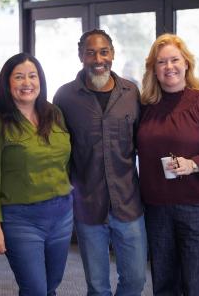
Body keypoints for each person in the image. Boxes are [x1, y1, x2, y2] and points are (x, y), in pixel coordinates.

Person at [137, 33, 199, 296]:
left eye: (174, 60)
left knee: (195, 284)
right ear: (154, 70)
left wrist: (193, 164)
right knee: (164, 283)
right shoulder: (146, 108)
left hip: (196, 207)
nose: (169, 67)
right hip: (157, 208)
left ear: (186, 64)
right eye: (161, 62)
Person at [53, 29, 147, 296]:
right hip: (88, 207)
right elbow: (59, 150)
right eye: (91, 52)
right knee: (97, 286)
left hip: (128, 205)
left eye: (103, 51)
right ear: (81, 56)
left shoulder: (131, 93)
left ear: (113, 54)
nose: (98, 58)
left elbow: (144, 142)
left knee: (136, 279)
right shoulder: (65, 97)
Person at [0, 53, 72, 296]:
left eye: (32, 76)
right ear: (7, 83)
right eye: (19, 77)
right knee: (35, 290)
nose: (27, 83)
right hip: (21, 219)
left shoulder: (54, 114)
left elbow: (67, 162)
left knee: (51, 286)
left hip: (62, 214)